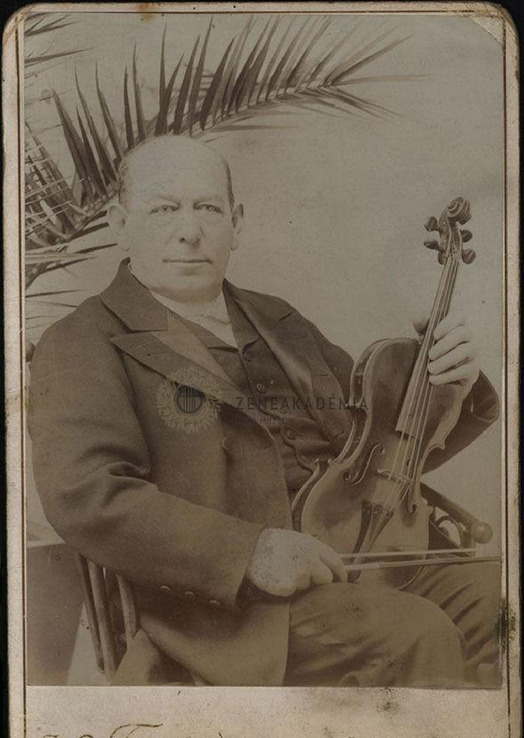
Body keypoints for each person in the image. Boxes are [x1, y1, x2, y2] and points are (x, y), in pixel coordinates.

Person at [28, 136, 500, 688]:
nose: (189, 230)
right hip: (237, 607)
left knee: (497, 602)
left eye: (208, 208)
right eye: (163, 209)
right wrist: (249, 552)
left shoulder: (280, 321)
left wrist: (450, 387)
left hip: (363, 558)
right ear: (120, 224)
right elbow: (89, 496)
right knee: (416, 632)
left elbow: (378, 460)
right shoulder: (82, 341)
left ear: (236, 223)